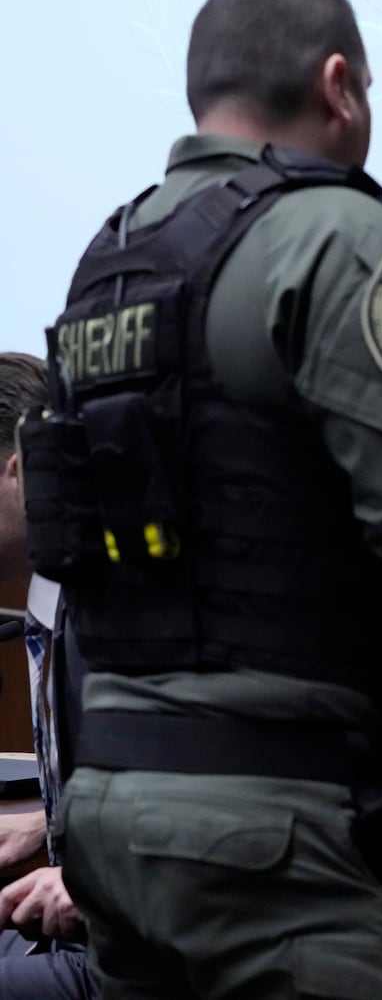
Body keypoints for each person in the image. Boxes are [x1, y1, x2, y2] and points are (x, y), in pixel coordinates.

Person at [21, 0, 382, 998]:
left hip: (116, 815)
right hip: (282, 827)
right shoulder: (335, 236)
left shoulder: (110, 261)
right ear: (339, 86)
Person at [0, 351, 95, 999]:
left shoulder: (111, 615)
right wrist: (43, 822)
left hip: (130, 951)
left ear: (17, 474)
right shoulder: (47, 603)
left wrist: (95, 880)